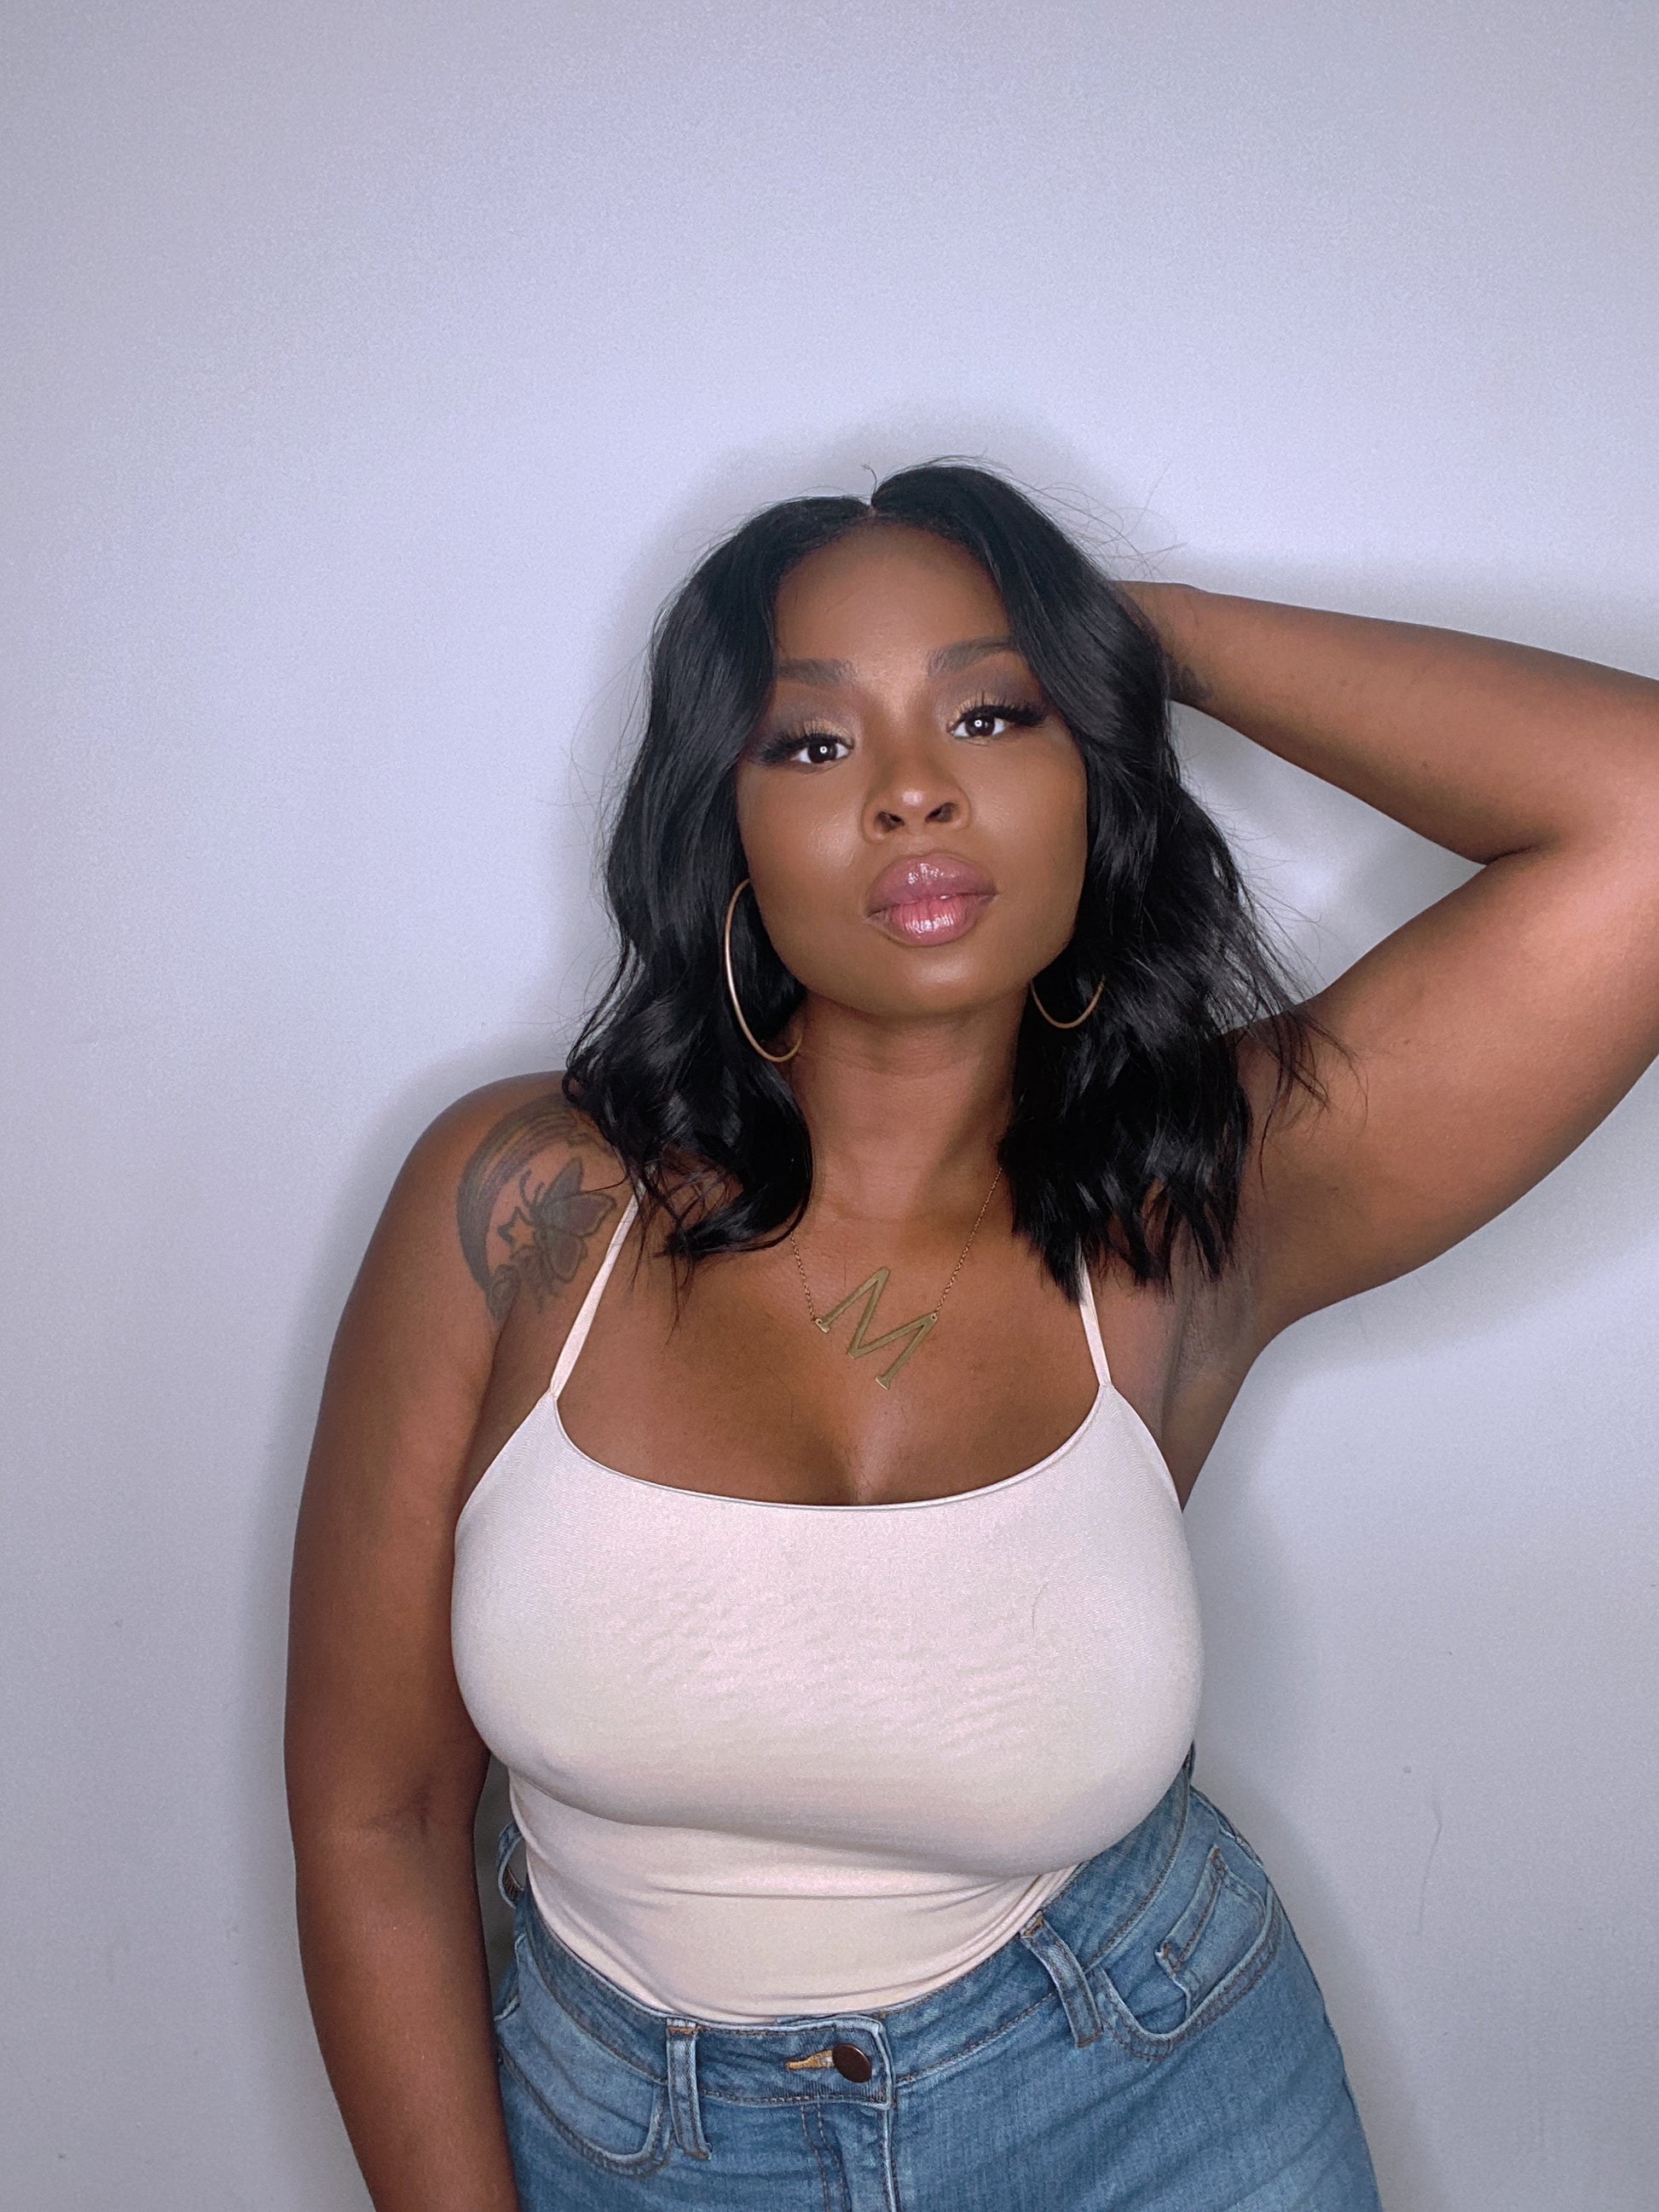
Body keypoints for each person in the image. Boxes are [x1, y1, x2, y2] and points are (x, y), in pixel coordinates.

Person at [284, 463, 1659, 2211]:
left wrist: (1114, 630)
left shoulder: (1188, 1213)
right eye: (812, 741)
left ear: (1091, 775)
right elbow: (377, 1815)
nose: (913, 788)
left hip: (1160, 2113)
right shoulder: (523, 1208)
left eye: (993, 713)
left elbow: (1637, 812)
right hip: (641, 2153)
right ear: (725, 829)